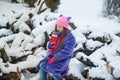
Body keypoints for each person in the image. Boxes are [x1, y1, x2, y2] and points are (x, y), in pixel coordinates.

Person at [36, 15, 76, 80]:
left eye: (60, 27)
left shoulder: (70, 38)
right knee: (42, 64)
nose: (57, 28)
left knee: (51, 69)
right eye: (57, 26)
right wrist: (52, 43)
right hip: (53, 56)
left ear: (65, 27)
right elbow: (50, 47)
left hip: (63, 59)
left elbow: (67, 52)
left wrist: (55, 58)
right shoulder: (57, 34)